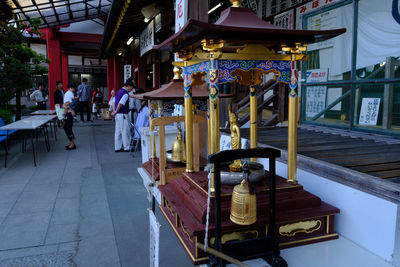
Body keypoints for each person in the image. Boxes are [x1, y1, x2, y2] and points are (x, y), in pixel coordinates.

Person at [112, 80, 134, 152]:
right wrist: (116, 111)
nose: (132, 89)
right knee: (125, 130)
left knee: (118, 130)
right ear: (128, 86)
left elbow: (113, 101)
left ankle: (117, 147)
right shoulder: (125, 93)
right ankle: (127, 146)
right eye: (131, 88)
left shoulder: (119, 91)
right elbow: (121, 103)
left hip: (118, 114)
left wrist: (114, 111)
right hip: (123, 113)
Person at [62, 83, 77, 150]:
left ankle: (72, 144)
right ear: (71, 88)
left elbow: (67, 105)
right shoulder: (70, 93)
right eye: (74, 88)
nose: (74, 89)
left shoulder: (68, 93)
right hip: (69, 114)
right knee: (68, 129)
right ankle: (71, 143)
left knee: (68, 129)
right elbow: (68, 104)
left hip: (68, 114)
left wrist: (63, 115)